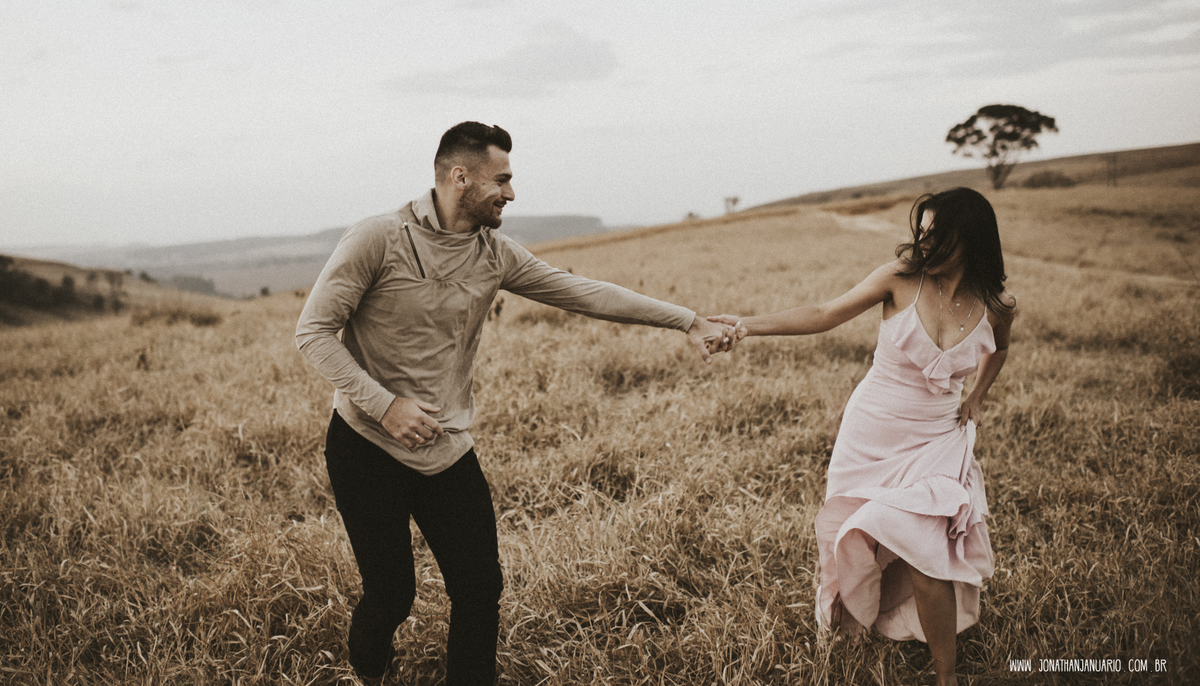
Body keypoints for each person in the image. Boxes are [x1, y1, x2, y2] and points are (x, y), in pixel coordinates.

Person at [295, 121, 733, 685]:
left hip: (446, 446)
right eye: (501, 179)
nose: (511, 192)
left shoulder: (494, 254)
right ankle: (369, 675)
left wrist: (688, 320)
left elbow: (584, 292)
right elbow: (313, 333)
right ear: (460, 177)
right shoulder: (377, 238)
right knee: (392, 593)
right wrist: (385, 406)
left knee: (480, 588)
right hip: (365, 444)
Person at [712, 187, 1014, 686]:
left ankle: (948, 677)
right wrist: (745, 326)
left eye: (937, 234)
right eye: (921, 232)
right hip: (871, 433)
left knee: (924, 548)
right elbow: (824, 314)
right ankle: (858, 624)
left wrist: (977, 395)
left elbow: (999, 349)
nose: (923, 243)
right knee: (861, 532)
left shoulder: (997, 305)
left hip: (936, 437)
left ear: (971, 239)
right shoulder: (899, 281)